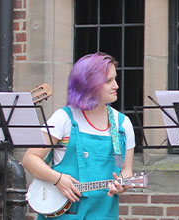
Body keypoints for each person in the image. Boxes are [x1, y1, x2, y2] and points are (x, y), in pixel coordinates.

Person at [20, 52, 136, 219]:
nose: (116, 85)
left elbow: (126, 170)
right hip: (62, 213)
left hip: (104, 213)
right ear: (89, 84)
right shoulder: (64, 118)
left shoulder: (123, 125)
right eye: (108, 81)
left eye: (115, 79)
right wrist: (58, 179)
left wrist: (122, 184)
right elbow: (30, 158)